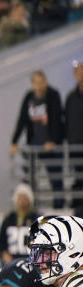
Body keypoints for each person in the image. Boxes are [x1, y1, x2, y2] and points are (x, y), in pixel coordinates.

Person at [10, 70, 65, 208]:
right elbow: (22, 120)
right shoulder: (29, 97)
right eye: (36, 82)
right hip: (34, 144)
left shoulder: (53, 95)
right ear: (32, 84)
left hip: (50, 146)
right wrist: (14, 141)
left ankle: (59, 204)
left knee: (55, 176)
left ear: (46, 82)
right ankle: (30, 205)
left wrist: (53, 140)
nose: (39, 85)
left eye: (42, 82)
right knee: (29, 176)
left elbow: (58, 120)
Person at [0, 183, 37, 263]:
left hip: (29, 262)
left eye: (25, 198)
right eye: (20, 198)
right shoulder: (8, 219)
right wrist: (4, 254)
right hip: (11, 262)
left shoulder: (35, 219)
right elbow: (1, 241)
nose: (22, 201)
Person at [66, 61, 83, 215]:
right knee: (78, 179)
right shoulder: (71, 97)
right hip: (76, 150)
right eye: (77, 71)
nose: (80, 74)